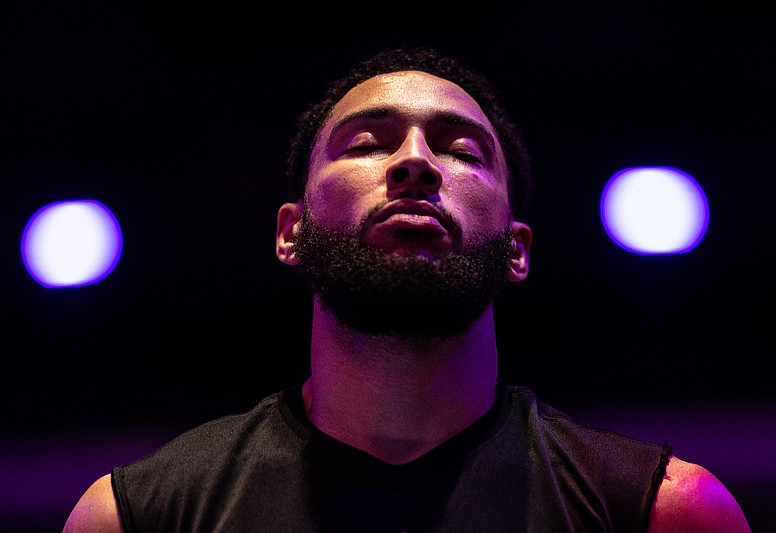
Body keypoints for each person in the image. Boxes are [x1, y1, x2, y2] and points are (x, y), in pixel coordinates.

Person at [63, 47, 751, 532]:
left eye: (461, 151)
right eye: (367, 143)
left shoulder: (664, 512)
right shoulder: (136, 517)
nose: (414, 164)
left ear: (517, 248)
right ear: (291, 232)